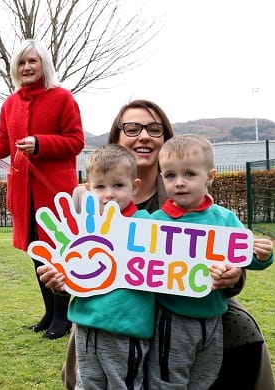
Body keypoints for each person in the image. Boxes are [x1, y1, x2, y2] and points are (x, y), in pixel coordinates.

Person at [38, 99, 275, 389]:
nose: (143, 136)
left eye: (154, 128)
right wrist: (60, 278)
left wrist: (234, 277)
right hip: (114, 313)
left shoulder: (188, 194)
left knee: (239, 335)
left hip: (192, 305)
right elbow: (77, 265)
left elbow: (229, 253)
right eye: (132, 127)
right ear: (117, 137)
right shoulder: (87, 203)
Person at [0, 38, 85, 339]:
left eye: (32, 62)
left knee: (56, 255)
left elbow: (76, 141)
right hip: (23, 193)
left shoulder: (63, 98)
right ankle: (50, 312)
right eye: (22, 63)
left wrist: (40, 143)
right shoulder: (10, 104)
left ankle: (64, 318)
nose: (26, 67)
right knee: (36, 254)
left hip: (54, 193)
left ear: (44, 66)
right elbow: (2, 143)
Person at [138, 134, 274, 388]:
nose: (179, 183)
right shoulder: (153, 222)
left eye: (189, 174)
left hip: (214, 318)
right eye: (170, 175)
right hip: (172, 318)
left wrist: (263, 255)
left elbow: (246, 258)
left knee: (205, 377)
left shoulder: (225, 218)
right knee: (167, 380)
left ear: (209, 176)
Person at [60, 143, 153, 389]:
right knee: (86, 383)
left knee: (124, 385)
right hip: (86, 324)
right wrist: (58, 274)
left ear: (134, 187)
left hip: (126, 328)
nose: (109, 194)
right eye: (100, 186)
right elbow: (71, 268)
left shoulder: (147, 225)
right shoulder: (82, 228)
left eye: (118, 185)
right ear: (88, 190)